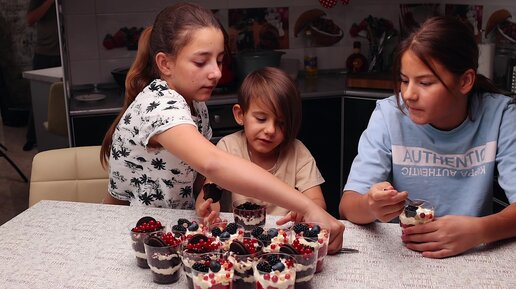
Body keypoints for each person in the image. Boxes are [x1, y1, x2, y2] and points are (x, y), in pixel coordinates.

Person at [99, 3, 344, 253]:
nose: (216, 73)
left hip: (171, 233)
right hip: (131, 234)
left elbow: (200, 178)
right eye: (201, 61)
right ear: (165, 64)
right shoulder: (159, 106)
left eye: (219, 60)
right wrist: (307, 206)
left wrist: (208, 202)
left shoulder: (195, 104)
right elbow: (213, 164)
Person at [339, 16, 516, 258]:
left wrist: (480, 230)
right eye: (404, 80)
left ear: (465, 81)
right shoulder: (389, 114)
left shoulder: (500, 115)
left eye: (424, 82)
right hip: (403, 255)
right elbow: (348, 206)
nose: (409, 95)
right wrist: (370, 206)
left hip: (473, 253)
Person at [195, 67, 326, 223]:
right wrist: (208, 208)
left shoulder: (298, 153)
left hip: (283, 237)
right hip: (240, 237)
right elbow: (209, 192)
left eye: (281, 123)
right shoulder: (228, 147)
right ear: (240, 115)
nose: (270, 130)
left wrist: (303, 213)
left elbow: (317, 203)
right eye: (261, 119)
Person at [24, 0, 62, 151]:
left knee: (62, 97)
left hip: (67, 53)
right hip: (45, 53)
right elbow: (30, 19)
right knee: (39, 95)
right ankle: (32, 137)